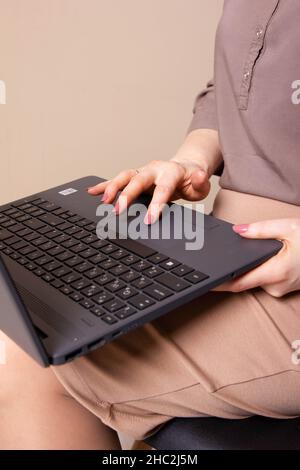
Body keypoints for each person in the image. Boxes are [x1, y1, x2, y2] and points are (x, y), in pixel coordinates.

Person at [1, 0, 300, 450]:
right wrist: (190, 162)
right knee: (45, 308)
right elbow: (231, 90)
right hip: (229, 246)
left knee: (40, 367)